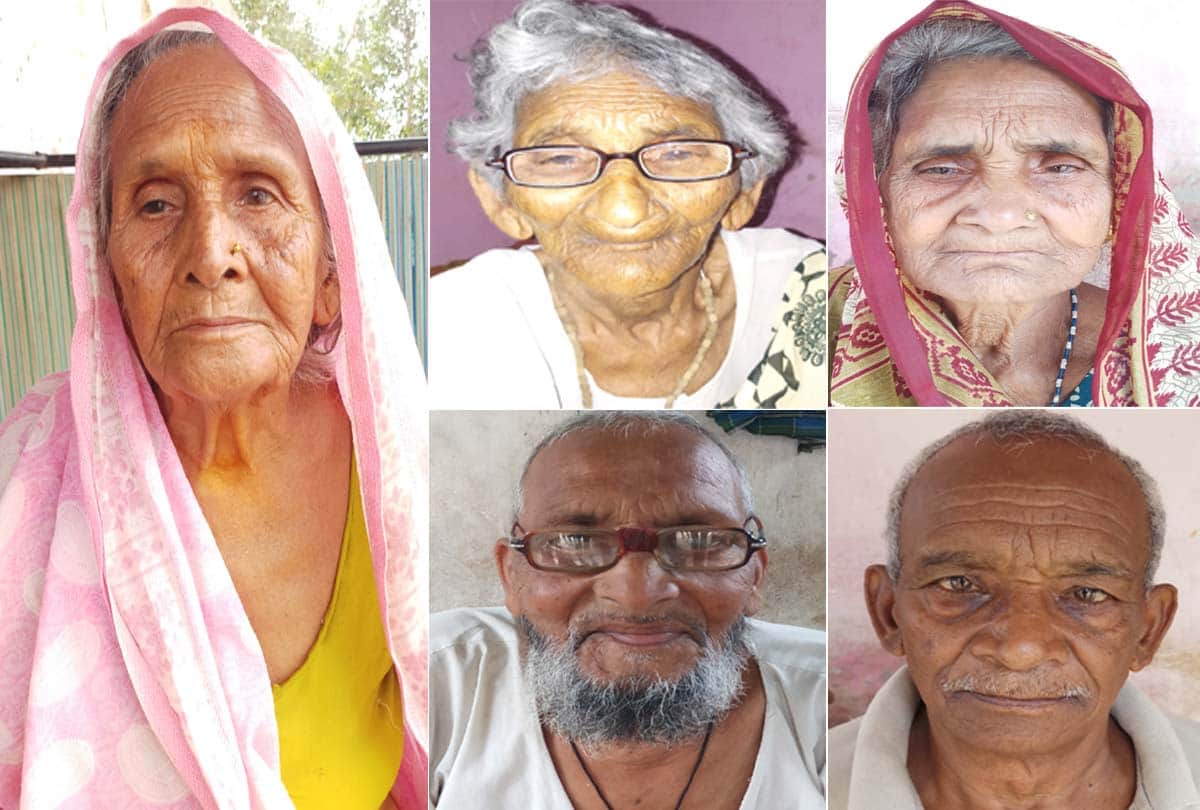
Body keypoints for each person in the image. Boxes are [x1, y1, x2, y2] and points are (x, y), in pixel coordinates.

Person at [0, 8, 427, 808]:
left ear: (333, 272)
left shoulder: (401, 467)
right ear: (107, 271)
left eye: (259, 194)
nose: (209, 256)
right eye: (157, 204)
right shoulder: (24, 481)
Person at [431, 0, 827, 410]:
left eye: (677, 154)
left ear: (745, 190)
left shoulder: (818, 295)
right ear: (501, 200)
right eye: (561, 158)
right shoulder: (450, 325)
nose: (626, 209)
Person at [430, 412, 826, 807]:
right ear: (511, 574)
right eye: (575, 541)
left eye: (697, 540)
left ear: (755, 575)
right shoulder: (440, 680)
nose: (637, 593)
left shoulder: (822, 706)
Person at [829, 0, 1200, 406]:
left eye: (1060, 168)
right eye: (941, 169)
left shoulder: (1184, 346)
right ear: (873, 195)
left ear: (1119, 193)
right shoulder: (805, 320)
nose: (1001, 216)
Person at [829, 411, 1200, 809]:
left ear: (1148, 630)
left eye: (1087, 594)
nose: (1020, 650)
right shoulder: (814, 781)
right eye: (960, 584)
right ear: (888, 613)